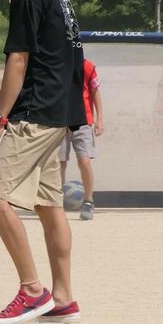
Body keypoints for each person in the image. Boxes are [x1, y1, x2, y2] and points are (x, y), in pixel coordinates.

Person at [0, 0, 87, 324]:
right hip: (59, 108)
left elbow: (18, 61)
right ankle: (63, 298)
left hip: (37, 110)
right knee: (48, 203)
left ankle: (31, 291)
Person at [59, 58, 103, 220]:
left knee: (84, 161)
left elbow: (95, 91)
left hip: (83, 120)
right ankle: (57, 202)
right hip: (60, 121)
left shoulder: (88, 66)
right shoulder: (57, 63)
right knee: (59, 163)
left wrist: (100, 119)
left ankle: (88, 201)